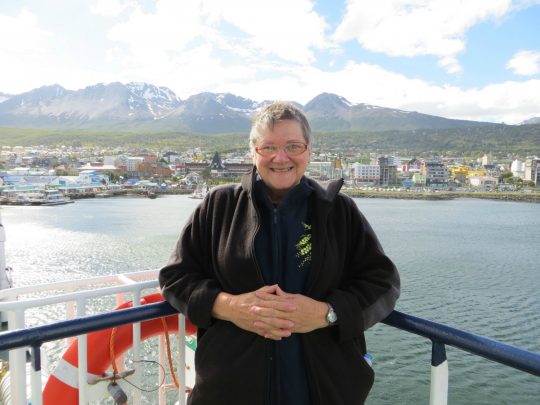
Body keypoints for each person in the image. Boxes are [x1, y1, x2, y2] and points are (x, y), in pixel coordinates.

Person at [159, 101, 400, 405]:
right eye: (268, 147)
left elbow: (383, 283)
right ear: (253, 151)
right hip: (228, 391)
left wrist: (328, 313)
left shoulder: (339, 211)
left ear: (309, 151)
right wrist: (228, 306)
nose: (281, 158)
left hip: (325, 391)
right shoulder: (219, 206)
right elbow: (175, 277)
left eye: (293, 146)